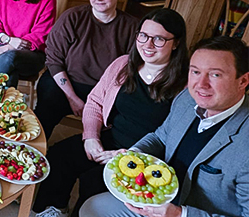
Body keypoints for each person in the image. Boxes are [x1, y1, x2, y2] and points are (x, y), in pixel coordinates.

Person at [31, 9, 189, 217]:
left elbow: (171, 138)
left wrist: (126, 156)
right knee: (59, 156)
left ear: (176, 43)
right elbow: (95, 102)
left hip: (147, 157)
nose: (147, 45)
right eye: (143, 35)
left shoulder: (185, 85)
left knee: (93, 182)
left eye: (159, 39)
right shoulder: (123, 64)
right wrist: (90, 137)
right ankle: (55, 209)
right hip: (110, 138)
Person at [81, 36, 249, 217]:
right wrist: (134, 153)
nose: (201, 84)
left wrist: (180, 214)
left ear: (243, 81)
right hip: (157, 200)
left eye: (215, 74)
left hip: (191, 213)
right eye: (195, 72)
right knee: (91, 209)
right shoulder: (186, 99)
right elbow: (161, 136)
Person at [35, 0, 140, 137]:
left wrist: (101, 101)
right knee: (47, 100)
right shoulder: (72, 17)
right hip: (68, 82)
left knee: (125, 119)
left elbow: (132, 69)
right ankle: (35, 151)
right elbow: (54, 60)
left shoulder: (132, 27)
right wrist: (72, 98)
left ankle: (93, 151)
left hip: (106, 89)